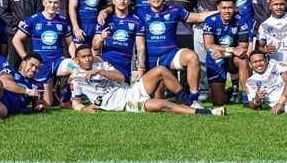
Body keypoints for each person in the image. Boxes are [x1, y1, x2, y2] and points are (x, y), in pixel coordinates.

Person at [101, 0, 214, 107]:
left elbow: (198, 17)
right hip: (151, 61)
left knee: (192, 56)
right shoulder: (139, 11)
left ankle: (194, 99)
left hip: (170, 55)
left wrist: (221, 11)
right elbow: (120, 6)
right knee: (159, 99)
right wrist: (106, 10)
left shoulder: (174, 11)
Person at [68, 45, 224, 115]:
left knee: (161, 70)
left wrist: (100, 71)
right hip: (125, 104)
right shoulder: (76, 79)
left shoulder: (100, 65)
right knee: (162, 104)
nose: (88, 59)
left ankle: (190, 102)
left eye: (89, 55)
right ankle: (206, 113)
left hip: (130, 91)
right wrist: (84, 109)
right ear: (77, 59)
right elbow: (75, 103)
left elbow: (121, 77)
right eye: (83, 57)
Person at [11, 0, 74, 106]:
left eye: (55, 2)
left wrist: (74, 56)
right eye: (49, 2)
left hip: (57, 61)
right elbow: (16, 39)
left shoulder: (63, 22)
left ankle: (65, 100)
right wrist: (26, 58)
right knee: (47, 104)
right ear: (44, 2)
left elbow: (70, 43)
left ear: (59, 4)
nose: (52, 5)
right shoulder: (34, 19)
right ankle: (52, 94)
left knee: (77, 68)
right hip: (41, 64)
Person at [203, 0, 249, 106]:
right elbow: (208, 45)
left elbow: (243, 46)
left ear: (234, 7)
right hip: (215, 58)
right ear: (218, 8)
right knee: (218, 102)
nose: (227, 11)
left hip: (231, 58)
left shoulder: (241, 20)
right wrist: (231, 50)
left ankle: (247, 98)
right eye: (224, 8)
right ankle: (230, 92)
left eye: (230, 8)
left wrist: (226, 53)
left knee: (243, 59)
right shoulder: (210, 20)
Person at [93, 0, 146, 83]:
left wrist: (141, 67)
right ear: (113, 0)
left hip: (124, 62)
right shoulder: (105, 20)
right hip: (106, 60)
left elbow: (140, 47)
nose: (122, 1)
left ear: (129, 1)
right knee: (82, 62)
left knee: (123, 91)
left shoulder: (137, 21)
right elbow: (95, 47)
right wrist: (101, 39)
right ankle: (69, 97)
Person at [1, 0, 43, 68]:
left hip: (31, 34)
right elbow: (4, 13)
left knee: (32, 63)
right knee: (13, 63)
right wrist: (17, 22)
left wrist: (32, 25)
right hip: (15, 33)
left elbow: (40, 12)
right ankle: (11, 84)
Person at [164, 0, 197, 70]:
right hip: (170, 31)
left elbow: (194, 8)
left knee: (185, 63)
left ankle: (185, 87)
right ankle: (170, 87)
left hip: (186, 32)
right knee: (170, 61)